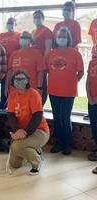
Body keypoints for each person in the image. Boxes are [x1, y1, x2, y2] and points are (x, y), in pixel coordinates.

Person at [47, 26, 84, 155]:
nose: (61, 39)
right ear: (56, 39)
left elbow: (81, 72)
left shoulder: (75, 53)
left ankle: (68, 143)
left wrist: (73, 83)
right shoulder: (51, 53)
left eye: (64, 37)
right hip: (53, 91)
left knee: (65, 117)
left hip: (68, 92)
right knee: (56, 117)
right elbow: (47, 70)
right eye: (59, 37)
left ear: (68, 39)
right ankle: (59, 142)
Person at [7, 69, 50, 175]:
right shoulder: (12, 95)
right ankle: (33, 149)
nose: (19, 81)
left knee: (16, 146)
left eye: (22, 79)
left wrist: (24, 133)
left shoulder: (33, 94)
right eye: (16, 79)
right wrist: (17, 131)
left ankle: (37, 161)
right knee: (15, 164)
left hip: (39, 131)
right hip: (22, 131)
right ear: (12, 81)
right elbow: (11, 115)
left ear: (27, 81)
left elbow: (37, 116)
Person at [4, 31, 46, 102]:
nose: (23, 39)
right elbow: (10, 71)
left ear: (31, 40)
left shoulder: (36, 53)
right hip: (14, 89)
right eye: (21, 37)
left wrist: (39, 88)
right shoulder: (14, 54)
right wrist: (6, 87)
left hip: (31, 88)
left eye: (25, 37)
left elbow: (41, 72)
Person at [0, 17, 21, 110]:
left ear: (15, 25)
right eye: (8, 23)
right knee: (2, 87)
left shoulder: (19, 35)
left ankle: (11, 106)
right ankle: (2, 106)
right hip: (1, 65)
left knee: (11, 86)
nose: (10, 25)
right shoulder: (2, 35)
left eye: (12, 23)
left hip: (14, 65)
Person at [31, 10, 54, 106]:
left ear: (43, 19)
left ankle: (40, 105)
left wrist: (43, 64)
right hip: (33, 63)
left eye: (39, 17)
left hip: (42, 64)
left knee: (42, 84)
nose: (37, 19)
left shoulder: (47, 31)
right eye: (35, 17)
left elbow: (48, 49)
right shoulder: (33, 31)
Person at [86, 57, 97, 162]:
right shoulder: (92, 62)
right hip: (92, 101)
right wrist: (89, 97)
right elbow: (88, 81)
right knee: (94, 125)